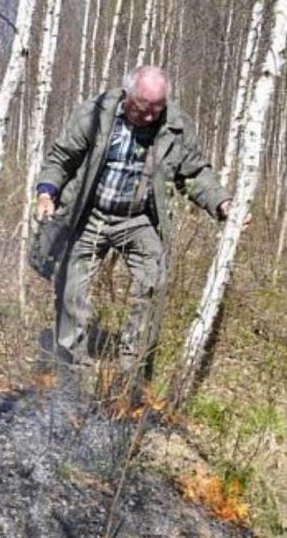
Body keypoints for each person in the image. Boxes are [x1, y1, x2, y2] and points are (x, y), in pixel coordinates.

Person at [34, 65, 243, 394]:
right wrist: (47, 192)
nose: (146, 116)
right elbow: (62, 156)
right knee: (71, 287)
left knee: (154, 279)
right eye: (140, 107)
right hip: (90, 212)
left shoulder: (175, 127)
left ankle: (131, 374)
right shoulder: (98, 113)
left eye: (155, 109)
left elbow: (195, 173)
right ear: (127, 95)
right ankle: (73, 373)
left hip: (138, 219)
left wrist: (222, 203)